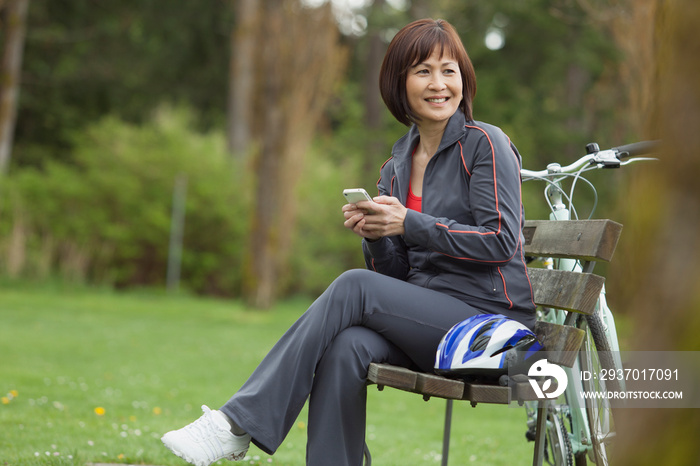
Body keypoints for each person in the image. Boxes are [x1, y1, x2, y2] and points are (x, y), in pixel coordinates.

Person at [161, 18, 535, 466]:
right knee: (347, 345)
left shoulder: (485, 144)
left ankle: (237, 423)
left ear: (464, 78)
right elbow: (396, 277)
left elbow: (500, 240)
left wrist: (409, 222)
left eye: (448, 70)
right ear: (400, 84)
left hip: (489, 327)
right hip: (430, 321)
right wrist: (377, 239)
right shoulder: (395, 166)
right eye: (423, 71)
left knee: (354, 286)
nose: (439, 84)